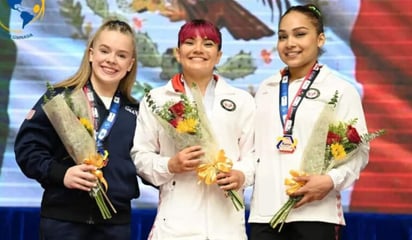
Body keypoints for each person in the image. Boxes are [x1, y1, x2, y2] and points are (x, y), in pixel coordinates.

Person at [248, 4, 369, 240]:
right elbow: (256, 151)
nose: (290, 43)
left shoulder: (340, 89)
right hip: (266, 215)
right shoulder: (266, 89)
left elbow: (360, 151)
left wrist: (330, 180)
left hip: (316, 214)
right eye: (283, 36)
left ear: (320, 39)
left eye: (300, 34)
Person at [14, 19, 140, 240]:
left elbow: (146, 160)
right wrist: (62, 174)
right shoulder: (60, 99)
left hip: (115, 227)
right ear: (91, 54)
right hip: (63, 223)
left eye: (121, 55)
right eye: (104, 51)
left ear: (130, 64)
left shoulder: (136, 112)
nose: (111, 60)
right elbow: (27, 149)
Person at [131, 19, 255, 239]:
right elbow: (140, 156)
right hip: (175, 227)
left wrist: (240, 175)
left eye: (208, 44)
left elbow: (255, 156)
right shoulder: (157, 100)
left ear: (218, 55)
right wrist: (170, 164)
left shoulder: (242, 100)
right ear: (178, 53)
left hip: (226, 228)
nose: (198, 49)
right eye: (190, 42)